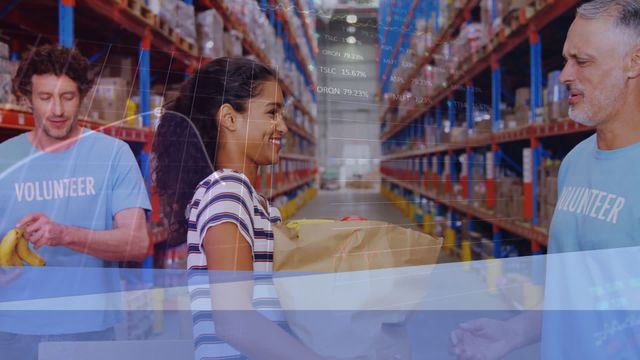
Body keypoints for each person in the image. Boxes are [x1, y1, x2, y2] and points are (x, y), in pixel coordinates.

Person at [450, 1, 640, 359]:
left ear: (634, 62)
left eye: (582, 62)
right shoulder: (575, 162)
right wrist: (512, 332)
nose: (566, 75)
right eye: (566, 60)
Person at [153, 57, 324, 360]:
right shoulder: (226, 193)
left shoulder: (247, 198)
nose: (282, 127)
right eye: (272, 113)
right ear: (230, 118)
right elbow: (234, 323)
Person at [0, 45, 151, 359]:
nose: (57, 110)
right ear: (26, 98)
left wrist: (64, 235)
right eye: (45, 98)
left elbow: (136, 243)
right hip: (13, 330)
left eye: (67, 97)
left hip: (90, 329)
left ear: (83, 95)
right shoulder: (4, 160)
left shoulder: (113, 155)